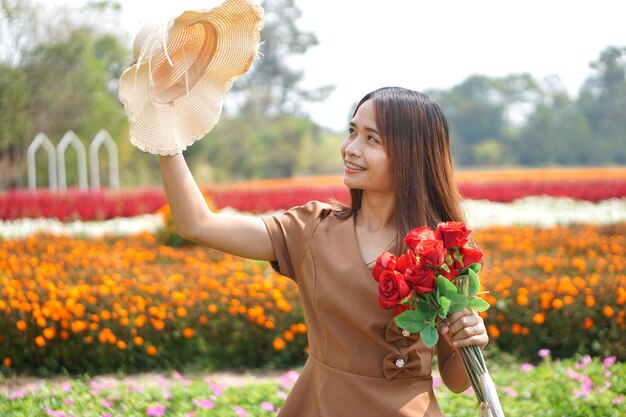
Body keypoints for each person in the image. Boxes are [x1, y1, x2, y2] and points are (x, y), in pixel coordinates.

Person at [158, 86, 489, 416]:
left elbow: (456, 380)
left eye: (372, 139)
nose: (351, 149)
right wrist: (165, 134)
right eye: (352, 132)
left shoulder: (442, 250)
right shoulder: (311, 230)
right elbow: (197, 224)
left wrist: (470, 338)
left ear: (410, 153)